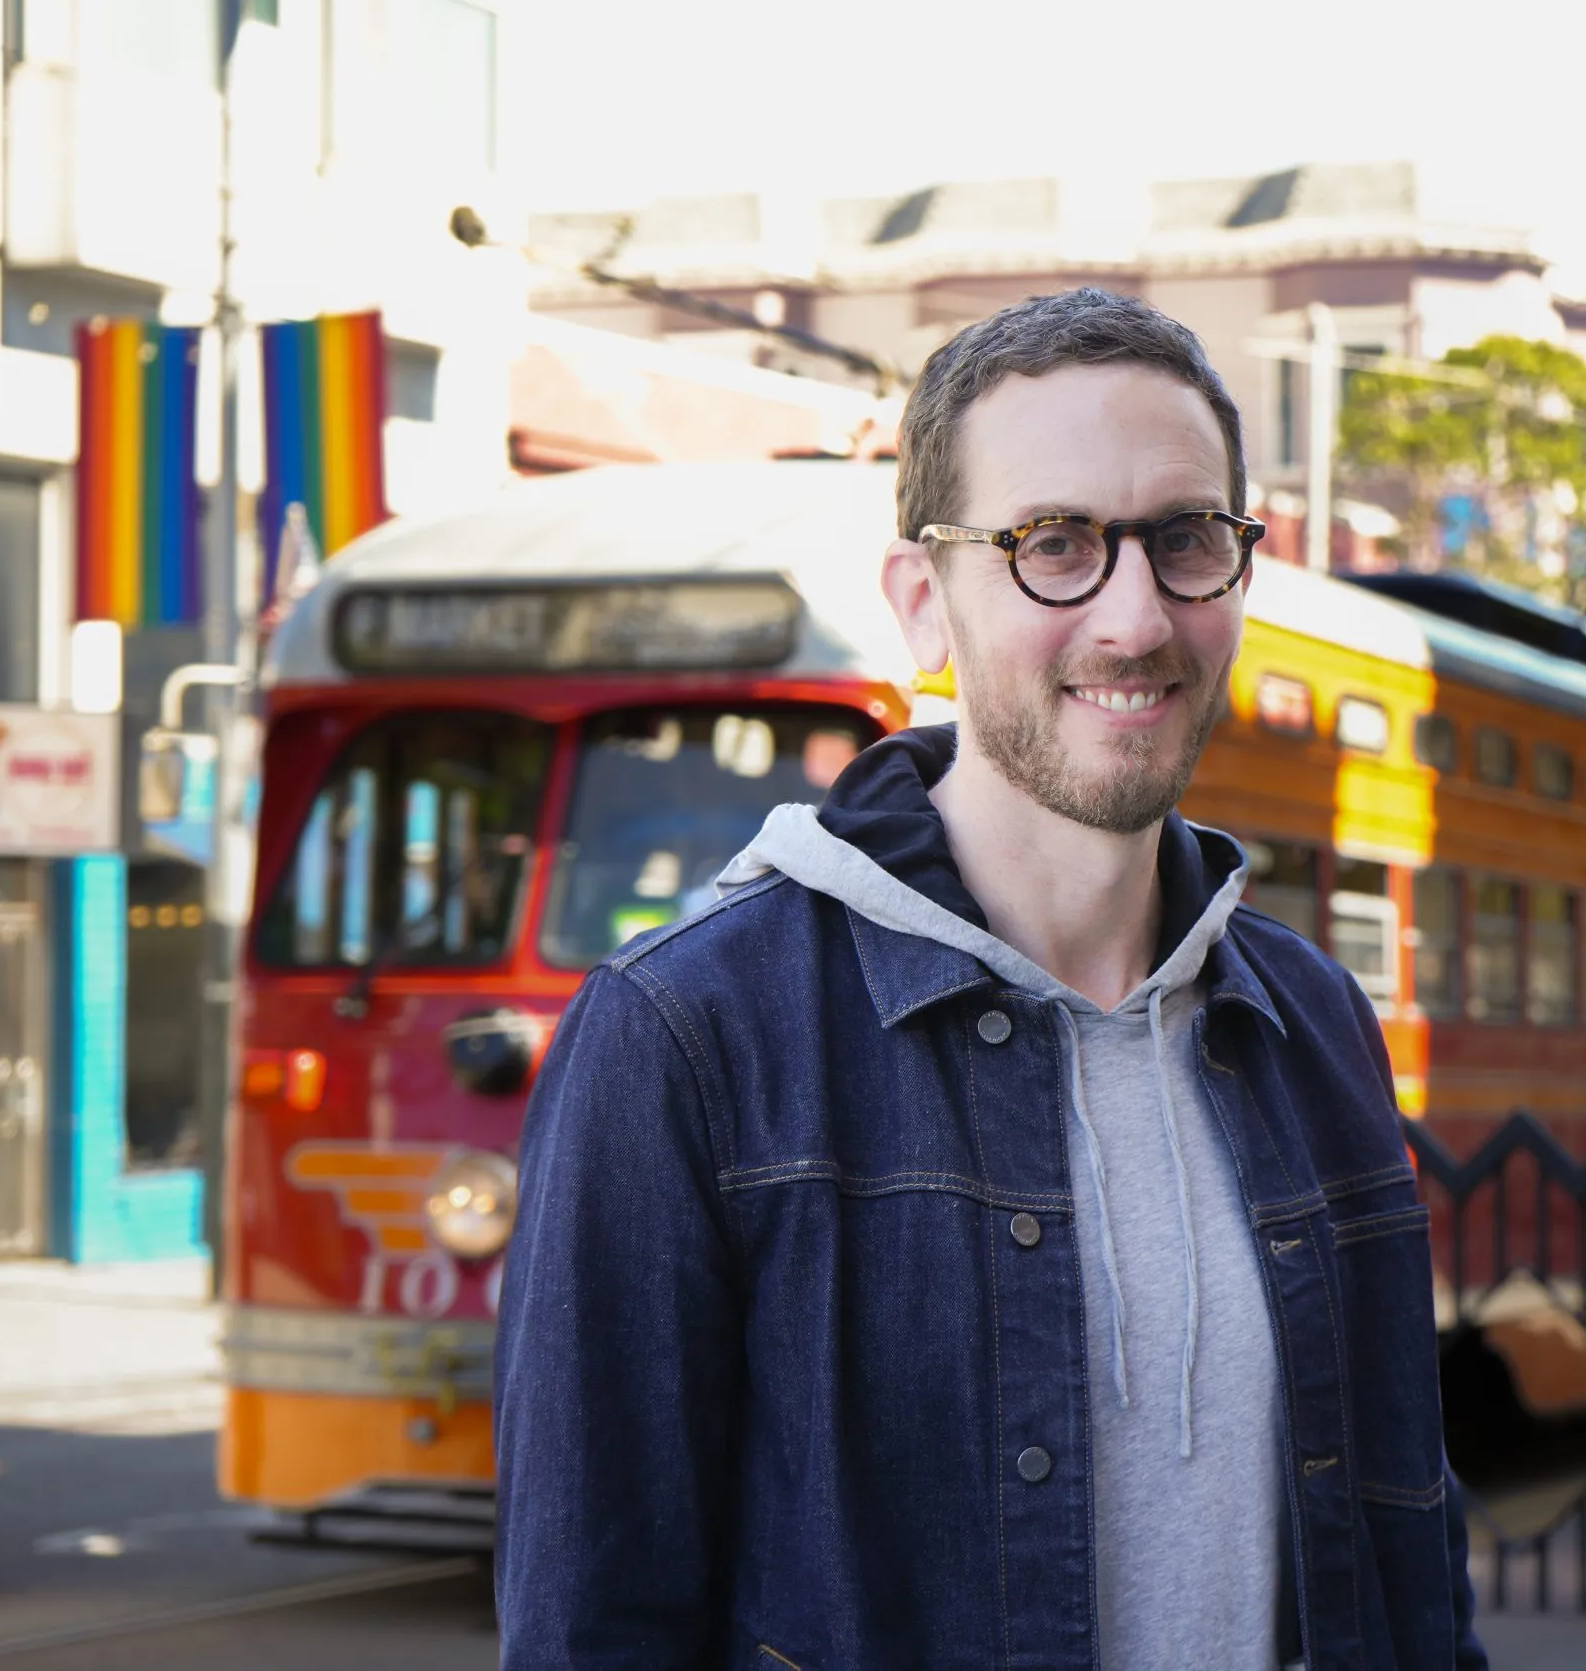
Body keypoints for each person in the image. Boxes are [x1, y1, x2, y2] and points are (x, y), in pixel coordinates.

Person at [495, 288, 1485, 1670]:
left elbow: (1411, 1581)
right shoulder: (688, 1038)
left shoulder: (1315, 1026)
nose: (1134, 617)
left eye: (1188, 540)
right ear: (924, 602)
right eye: (1054, 544)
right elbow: (597, 1631)